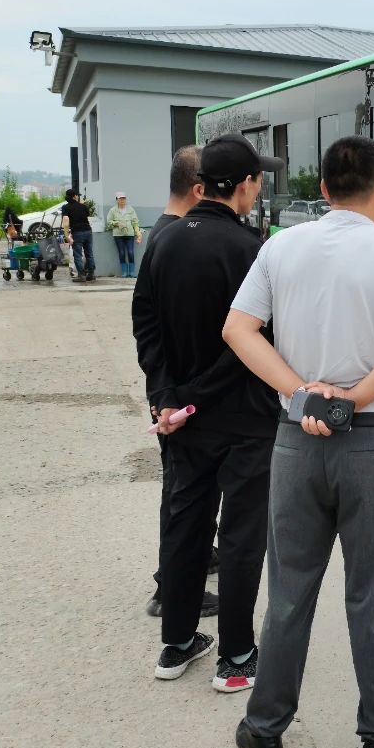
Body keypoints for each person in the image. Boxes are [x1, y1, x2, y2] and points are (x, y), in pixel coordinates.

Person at [222, 136, 374, 748]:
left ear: (322, 190)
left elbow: (238, 329)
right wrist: (350, 400)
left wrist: (302, 394)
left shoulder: (280, 247)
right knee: (371, 594)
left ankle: (265, 728)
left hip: (295, 441)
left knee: (289, 590)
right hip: (368, 440)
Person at [132, 133, 281, 691]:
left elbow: (145, 323)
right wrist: (194, 395)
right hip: (244, 418)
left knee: (185, 523)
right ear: (245, 185)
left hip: (180, 418)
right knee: (241, 535)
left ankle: (176, 644)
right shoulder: (252, 249)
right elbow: (253, 341)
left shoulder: (164, 239)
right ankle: (237, 657)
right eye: (257, 179)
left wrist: (167, 395)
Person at [143, 146, 217, 621]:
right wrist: (168, 396)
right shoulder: (175, 238)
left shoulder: (164, 233)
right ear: (199, 189)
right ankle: (168, 588)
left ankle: (195, 558)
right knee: (183, 494)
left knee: (185, 491)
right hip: (181, 398)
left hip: (171, 391)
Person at [60, 188, 95, 282]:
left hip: (77, 232)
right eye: (77, 195)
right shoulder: (83, 206)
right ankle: (91, 274)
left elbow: (66, 221)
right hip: (88, 231)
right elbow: (87, 216)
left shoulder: (65, 207)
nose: (78, 197)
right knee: (89, 253)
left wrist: (66, 235)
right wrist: (81, 204)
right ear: (74, 196)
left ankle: (82, 275)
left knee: (78, 254)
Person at [107, 192, 142, 277]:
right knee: (122, 252)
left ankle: (132, 272)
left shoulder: (130, 209)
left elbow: (135, 222)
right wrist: (117, 223)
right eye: (120, 198)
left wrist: (138, 233)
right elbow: (108, 222)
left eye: (124, 198)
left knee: (130, 252)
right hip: (118, 235)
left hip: (129, 234)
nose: (122, 200)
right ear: (117, 200)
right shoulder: (112, 210)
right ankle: (124, 272)